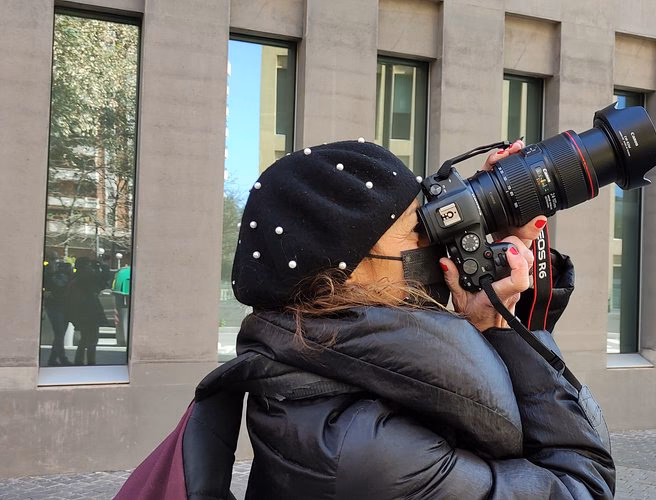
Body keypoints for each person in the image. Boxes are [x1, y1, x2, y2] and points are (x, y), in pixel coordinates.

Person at [119, 140, 615, 499]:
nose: (435, 242)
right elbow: (582, 485)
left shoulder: (340, 376)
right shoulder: (364, 452)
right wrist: (502, 330)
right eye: (417, 231)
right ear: (351, 270)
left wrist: (494, 313)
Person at [66, 257, 106, 365]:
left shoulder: (76, 279)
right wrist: (101, 266)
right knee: (90, 340)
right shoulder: (83, 280)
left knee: (86, 339)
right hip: (87, 314)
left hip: (86, 314)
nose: (90, 268)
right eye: (89, 266)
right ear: (84, 267)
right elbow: (102, 281)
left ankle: (81, 361)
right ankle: (89, 361)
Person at [42, 253, 72, 366]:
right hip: (55, 307)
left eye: (55, 258)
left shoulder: (61, 276)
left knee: (60, 334)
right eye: (52, 258)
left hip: (62, 306)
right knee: (59, 333)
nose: (54, 261)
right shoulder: (49, 273)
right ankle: (60, 357)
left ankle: (53, 358)